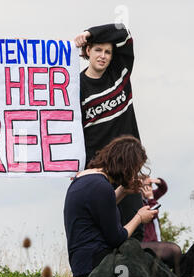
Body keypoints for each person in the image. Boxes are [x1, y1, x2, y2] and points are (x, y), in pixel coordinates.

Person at [74, 23, 145, 241]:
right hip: (98, 172)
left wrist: (90, 33)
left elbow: (123, 30)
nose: (103, 56)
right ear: (87, 51)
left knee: (136, 228)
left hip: (128, 166)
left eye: (108, 52)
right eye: (98, 50)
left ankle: (132, 274)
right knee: (103, 229)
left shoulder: (119, 72)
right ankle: (104, 275)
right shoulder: (75, 87)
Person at [63, 135, 157, 277]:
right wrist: (139, 217)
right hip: (96, 264)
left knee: (157, 254)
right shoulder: (102, 186)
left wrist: (124, 190)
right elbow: (117, 238)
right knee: (169, 253)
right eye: (134, 170)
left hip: (82, 263)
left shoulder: (86, 177)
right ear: (126, 166)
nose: (134, 175)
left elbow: (102, 207)